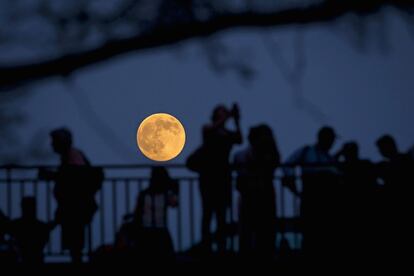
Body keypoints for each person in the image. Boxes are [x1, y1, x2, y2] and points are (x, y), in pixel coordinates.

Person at [38, 127, 103, 263]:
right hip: (74, 206)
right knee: (74, 240)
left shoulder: (73, 156)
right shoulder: (70, 155)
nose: (52, 145)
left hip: (76, 206)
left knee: (75, 241)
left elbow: (73, 176)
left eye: (54, 141)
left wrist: (51, 175)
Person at [186, 103, 242, 253]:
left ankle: (222, 245)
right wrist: (227, 117)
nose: (224, 114)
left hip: (223, 177)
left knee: (221, 214)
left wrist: (236, 120)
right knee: (208, 212)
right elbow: (211, 131)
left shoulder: (227, 134)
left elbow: (239, 139)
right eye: (221, 112)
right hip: (208, 177)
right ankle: (206, 245)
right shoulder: (208, 128)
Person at [283, 126, 340, 258]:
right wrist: (293, 187)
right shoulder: (307, 151)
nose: (332, 143)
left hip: (327, 203)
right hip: (312, 200)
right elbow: (288, 165)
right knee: (311, 235)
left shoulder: (329, 157)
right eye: (330, 139)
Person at [234, 125, 280, 259]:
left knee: (262, 233)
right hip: (254, 198)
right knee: (254, 233)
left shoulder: (241, 155)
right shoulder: (243, 156)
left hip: (261, 197)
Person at [116, 166, 178, 262]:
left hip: (146, 231)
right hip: (158, 231)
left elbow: (138, 212)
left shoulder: (145, 194)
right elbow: (174, 204)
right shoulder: (166, 195)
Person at [8, 197, 55, 264]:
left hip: (23, 259)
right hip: (37, 259)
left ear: (22, 207)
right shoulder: (41, 226)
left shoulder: (17, 225)